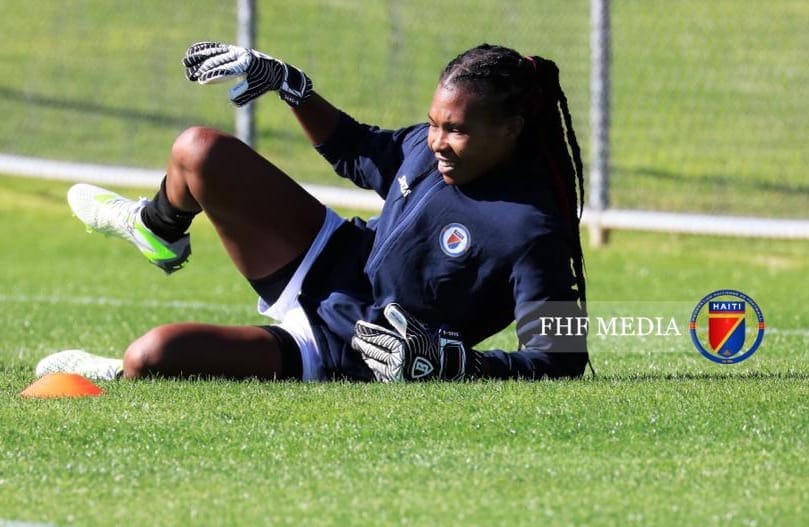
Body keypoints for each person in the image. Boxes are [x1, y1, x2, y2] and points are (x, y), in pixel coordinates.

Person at [35, 41, 589, 383]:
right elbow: (356, 149)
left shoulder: (534, 229)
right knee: (198, 150)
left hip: (346, 345)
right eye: (435, 123)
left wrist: (458, 364)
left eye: (457, 130)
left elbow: (558, 360)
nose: (437, 140)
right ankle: (156, 229)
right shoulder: (428, 147)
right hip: (328, 257)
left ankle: (114, 372)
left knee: (150, 356)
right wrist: (289, 85)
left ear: (511, 130)